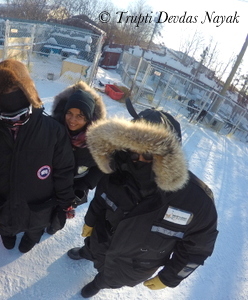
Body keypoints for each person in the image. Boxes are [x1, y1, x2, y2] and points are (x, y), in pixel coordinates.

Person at [67, 99, 218, 298]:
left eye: (148, 154)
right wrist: (90, 222)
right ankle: (87, 253)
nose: (139, 160)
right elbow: (100, 200)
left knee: (110, 279)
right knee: (92, 249)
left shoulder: (195, 200)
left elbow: (197, 248)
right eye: (133, 151)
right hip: (101, 241)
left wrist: (169, 277)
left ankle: (98, 284)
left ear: (168, 155)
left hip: (135, 265)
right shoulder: (116, 171)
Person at [0, 59, 75, 253]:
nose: (15, 122)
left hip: (38, 207)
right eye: (7, 117)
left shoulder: (53, 132)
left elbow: (64, 171)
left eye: (21, 115)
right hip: (3, 203)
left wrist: (64, 204)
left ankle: (32, 237)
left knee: (35, 227)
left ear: (30, 97)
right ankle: (7, 234)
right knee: (6, 225)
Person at [48, 81, 106, 234]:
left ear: (89, 118)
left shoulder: (97, 141)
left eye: (80, 116)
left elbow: (101, 167)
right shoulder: (54, 130)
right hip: (50, 183)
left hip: (76, 187)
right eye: (70, 114)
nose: (72, 120)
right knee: (45, 211)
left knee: (59, 218)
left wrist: (85, 185)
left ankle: (55, 224)